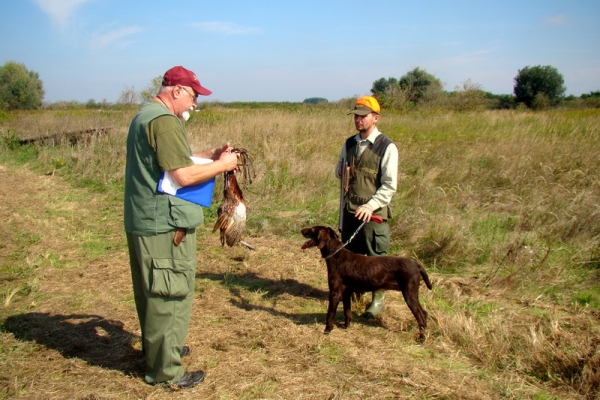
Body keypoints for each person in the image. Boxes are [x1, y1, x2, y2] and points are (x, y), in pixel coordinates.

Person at [124, 65, 239, 388]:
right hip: (163, 225)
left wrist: (210, 156)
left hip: (145, 220)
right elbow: (182, 176)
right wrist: (223, 165)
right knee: (169, 295)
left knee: (152, 294)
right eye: (192, 96)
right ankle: (166, 372)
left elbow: (174, 160)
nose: (194, 105)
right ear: (176, 91)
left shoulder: (146, 115)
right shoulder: (164, 121)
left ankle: (162, 351)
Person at [335, 96, 399, 319]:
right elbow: (338, 171)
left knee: (375, 259)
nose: (358, 119)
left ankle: (378, 300)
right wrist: (344, 173)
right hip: (350, 211)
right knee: (352, 258)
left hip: (373, 216)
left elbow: (389, 186)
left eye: (363, 116)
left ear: (376, 118)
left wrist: (371, 205)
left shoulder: (387, 147)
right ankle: (352, 292)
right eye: (356, 115)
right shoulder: (349, 143)